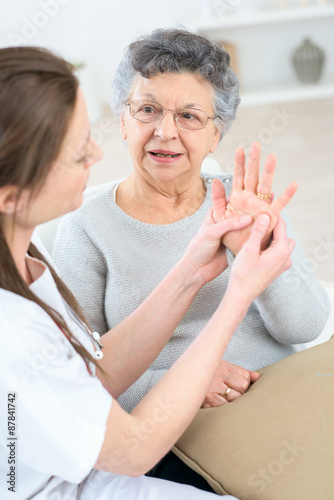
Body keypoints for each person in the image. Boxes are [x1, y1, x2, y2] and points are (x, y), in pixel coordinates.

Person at [0, 46, 296, 500]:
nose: (96, 154)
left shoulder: (24, 255)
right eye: (78, 151)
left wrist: (192, 271)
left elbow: (89, 370)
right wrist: (237, 294)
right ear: (11, 195)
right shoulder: (14, 332)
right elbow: (131, 449)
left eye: (190, 117)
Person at [53, 27, 329, 416]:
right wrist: (184, 383)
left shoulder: (246, 201)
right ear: (122, 122)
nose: (165, 132)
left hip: (283, 392)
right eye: (147, 110)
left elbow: (305, 327)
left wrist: (258, 251)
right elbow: (78, 372)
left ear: (216, 134)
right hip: (176, 418)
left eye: (189, 116)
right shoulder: (86, 225)